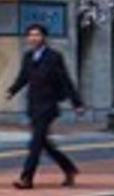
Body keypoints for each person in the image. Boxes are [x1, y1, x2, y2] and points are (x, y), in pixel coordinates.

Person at [8, 21, 81, 186]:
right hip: (33, 105)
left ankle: (26, 178)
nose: (34, 38)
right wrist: (12, 90)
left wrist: (76, 102)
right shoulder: (28, 57)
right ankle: (69, 168)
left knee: (35, 143)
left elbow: (65, 80)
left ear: (44, 37)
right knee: (43, 143)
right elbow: (23, 78)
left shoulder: (54, 57)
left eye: (37, 35)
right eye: (31, 35)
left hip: (48, 106)